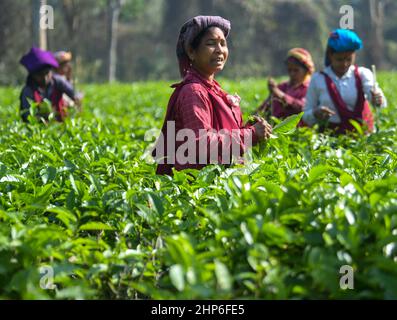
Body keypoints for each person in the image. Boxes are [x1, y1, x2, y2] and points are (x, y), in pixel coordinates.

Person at [153, 16, 272, 175]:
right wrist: (250, 134)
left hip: (221, 181)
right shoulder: (194, 92)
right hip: (198, 189)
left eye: (223, 43)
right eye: (210, 44)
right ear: (191, 52)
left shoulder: (213, 88)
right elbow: (202, 145)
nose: (219, 50)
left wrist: (248, 128)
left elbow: (221, 134)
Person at [303, 29, 387, 133]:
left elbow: (376, 98)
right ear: (330, 55)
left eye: (349, 59)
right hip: (330, 139)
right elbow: (305, 116)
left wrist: (377, 99)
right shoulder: (318, 79)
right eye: (339, 59)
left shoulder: (363, 74)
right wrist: (315, 113)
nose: (344, 64)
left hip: (363, 137)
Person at [19, 47, 81, 123]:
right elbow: (28, 116)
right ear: (33, 75)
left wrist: (75, 103)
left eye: (47, 73)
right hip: (40, 129)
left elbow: (75, 94)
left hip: (61, 124)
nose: (45, 78)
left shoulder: (58, 82)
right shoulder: (28, 91)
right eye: (40, 75)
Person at [257, 48, 314, 126]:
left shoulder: (310, 88)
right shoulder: (282, 86)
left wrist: (279, 94)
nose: (292, 74)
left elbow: (302, 107)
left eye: (296, 70)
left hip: (296, 133)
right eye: (289, 70)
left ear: (306, 71)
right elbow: (264, 108)